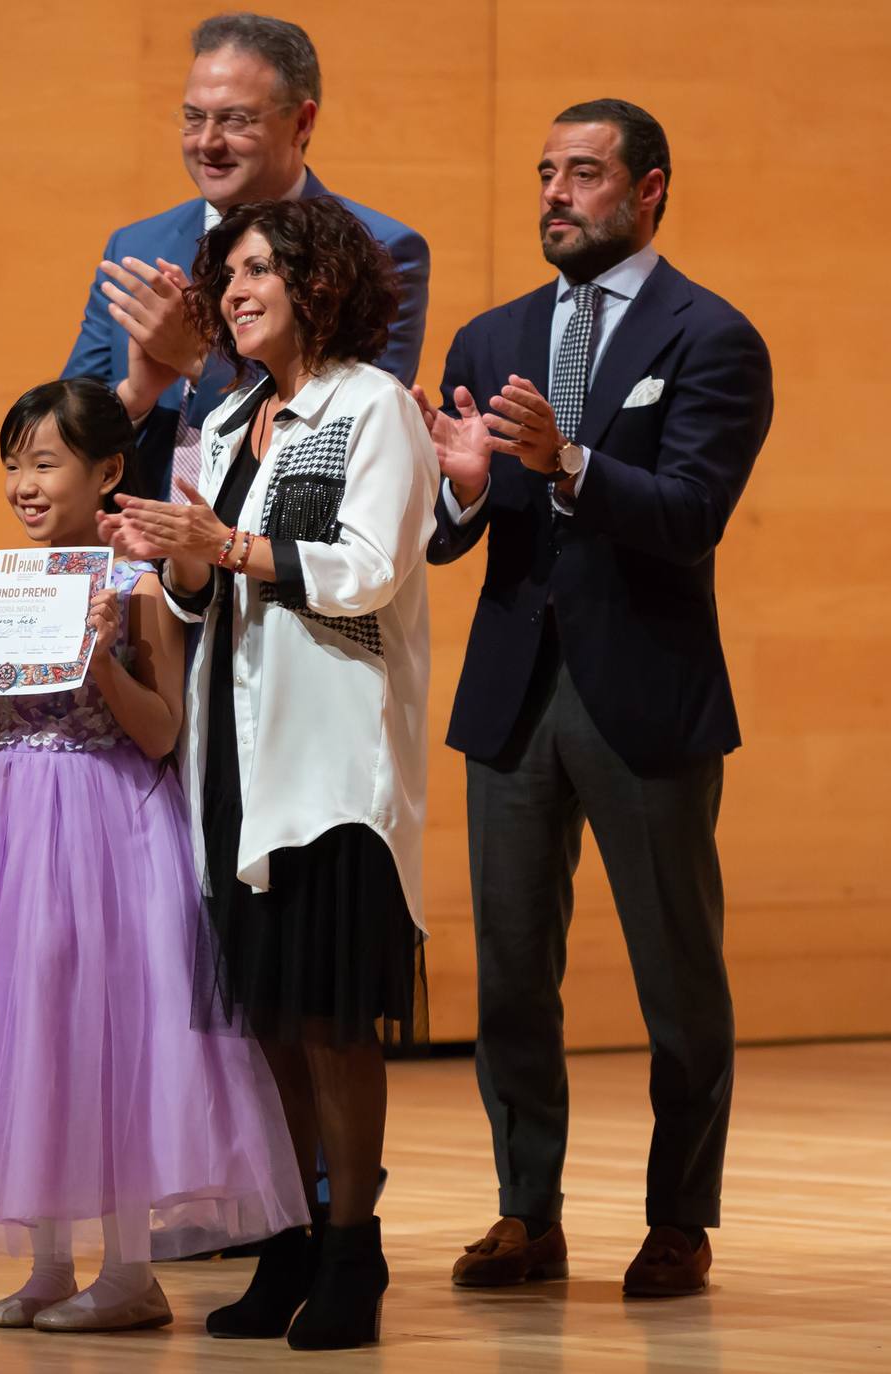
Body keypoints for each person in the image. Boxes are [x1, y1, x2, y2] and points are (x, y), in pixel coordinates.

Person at [0, 379, 306, 1333]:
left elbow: (163, 729)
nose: (24, 484)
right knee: (31, 1026)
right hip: (5, 822)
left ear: (107, 474)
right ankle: (50, 1261)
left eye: (45, 463)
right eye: (14, 464)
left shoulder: (135, 589)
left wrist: (95, 661)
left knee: (115, 1028)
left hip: (108, 817)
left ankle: (130, 1271)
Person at [417, 100, 773, 1299]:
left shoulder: (710, 337)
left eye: (581, 174)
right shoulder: (487, 336)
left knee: (676, 971)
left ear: (647, 190)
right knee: (512, 968)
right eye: (543, 174)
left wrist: (564, 460)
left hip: (644, 691)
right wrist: (465, 492)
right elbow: (449, 538)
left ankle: (677, 1217)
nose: (554, 196)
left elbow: (686, 515)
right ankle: (526, 1215)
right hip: (513, 692)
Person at [101, 195, 435, 1349]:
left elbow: (367, 570)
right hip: (233, 746)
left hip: (329, 757)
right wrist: (174, 560)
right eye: (226, 275)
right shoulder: (233, 407)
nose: (232, 293)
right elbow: (203, 594)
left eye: (255, 272)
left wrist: (224, 548)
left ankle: (355, 1254)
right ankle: (288, 1243)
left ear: (317, 281)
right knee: (269, 1021)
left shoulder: (373, 406)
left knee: (333, 1020)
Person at [64, 12, 429, 503]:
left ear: (302, 122)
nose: (207, 142)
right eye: (194, 117)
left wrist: (198, 361)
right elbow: (64, 427)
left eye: (236, 120)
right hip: (137, 556)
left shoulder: (378, 251)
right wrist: (136, 397)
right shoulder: (136, 248)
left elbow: (349, 428)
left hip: (284, 557)